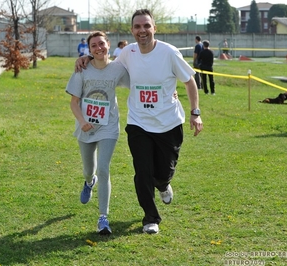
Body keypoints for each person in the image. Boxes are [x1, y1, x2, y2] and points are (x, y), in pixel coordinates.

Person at [76, 9, 203, 234]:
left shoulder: (169, 53)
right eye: (137, 27)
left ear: (154, 28)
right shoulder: (128, 53)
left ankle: (163, 184)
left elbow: (190, 81)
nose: (142, 31)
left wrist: (195, 112)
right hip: (138, 123)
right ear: (132, 31)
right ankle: (150, 218)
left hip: (168, 123)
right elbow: (107, 66)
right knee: (142, 171)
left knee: (162, 172)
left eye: (146, 26)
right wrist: (88, 57)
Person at [66, 31, 130, 235]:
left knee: (103, 168)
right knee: (89, 169)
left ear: (108, 45)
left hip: (109, 126)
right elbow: (74, 102)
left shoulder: (118, 68)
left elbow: (138, 82)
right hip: (86, 127)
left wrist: (169, 90)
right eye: (94, 45)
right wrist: (83, 121)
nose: (98, 48)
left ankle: (103, 217)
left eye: (101, 44)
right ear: (89, 49)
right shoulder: (82, 69)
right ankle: (88, 182)